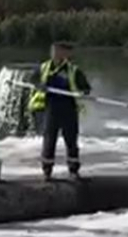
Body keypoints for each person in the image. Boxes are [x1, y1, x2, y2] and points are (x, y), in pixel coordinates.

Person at [28, 41, 91, 180]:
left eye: (59, 51)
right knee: (49, 141)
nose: (55, 54)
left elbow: (86, 88)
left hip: (69, 109)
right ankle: (47, 171)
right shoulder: (44, 68)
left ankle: (73, 171)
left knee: (71, 141)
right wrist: (40, 86)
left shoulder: (74, 70)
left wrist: (83, 92)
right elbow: (32, 80)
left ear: (66, 54)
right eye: (54, 51)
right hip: (51, 108)